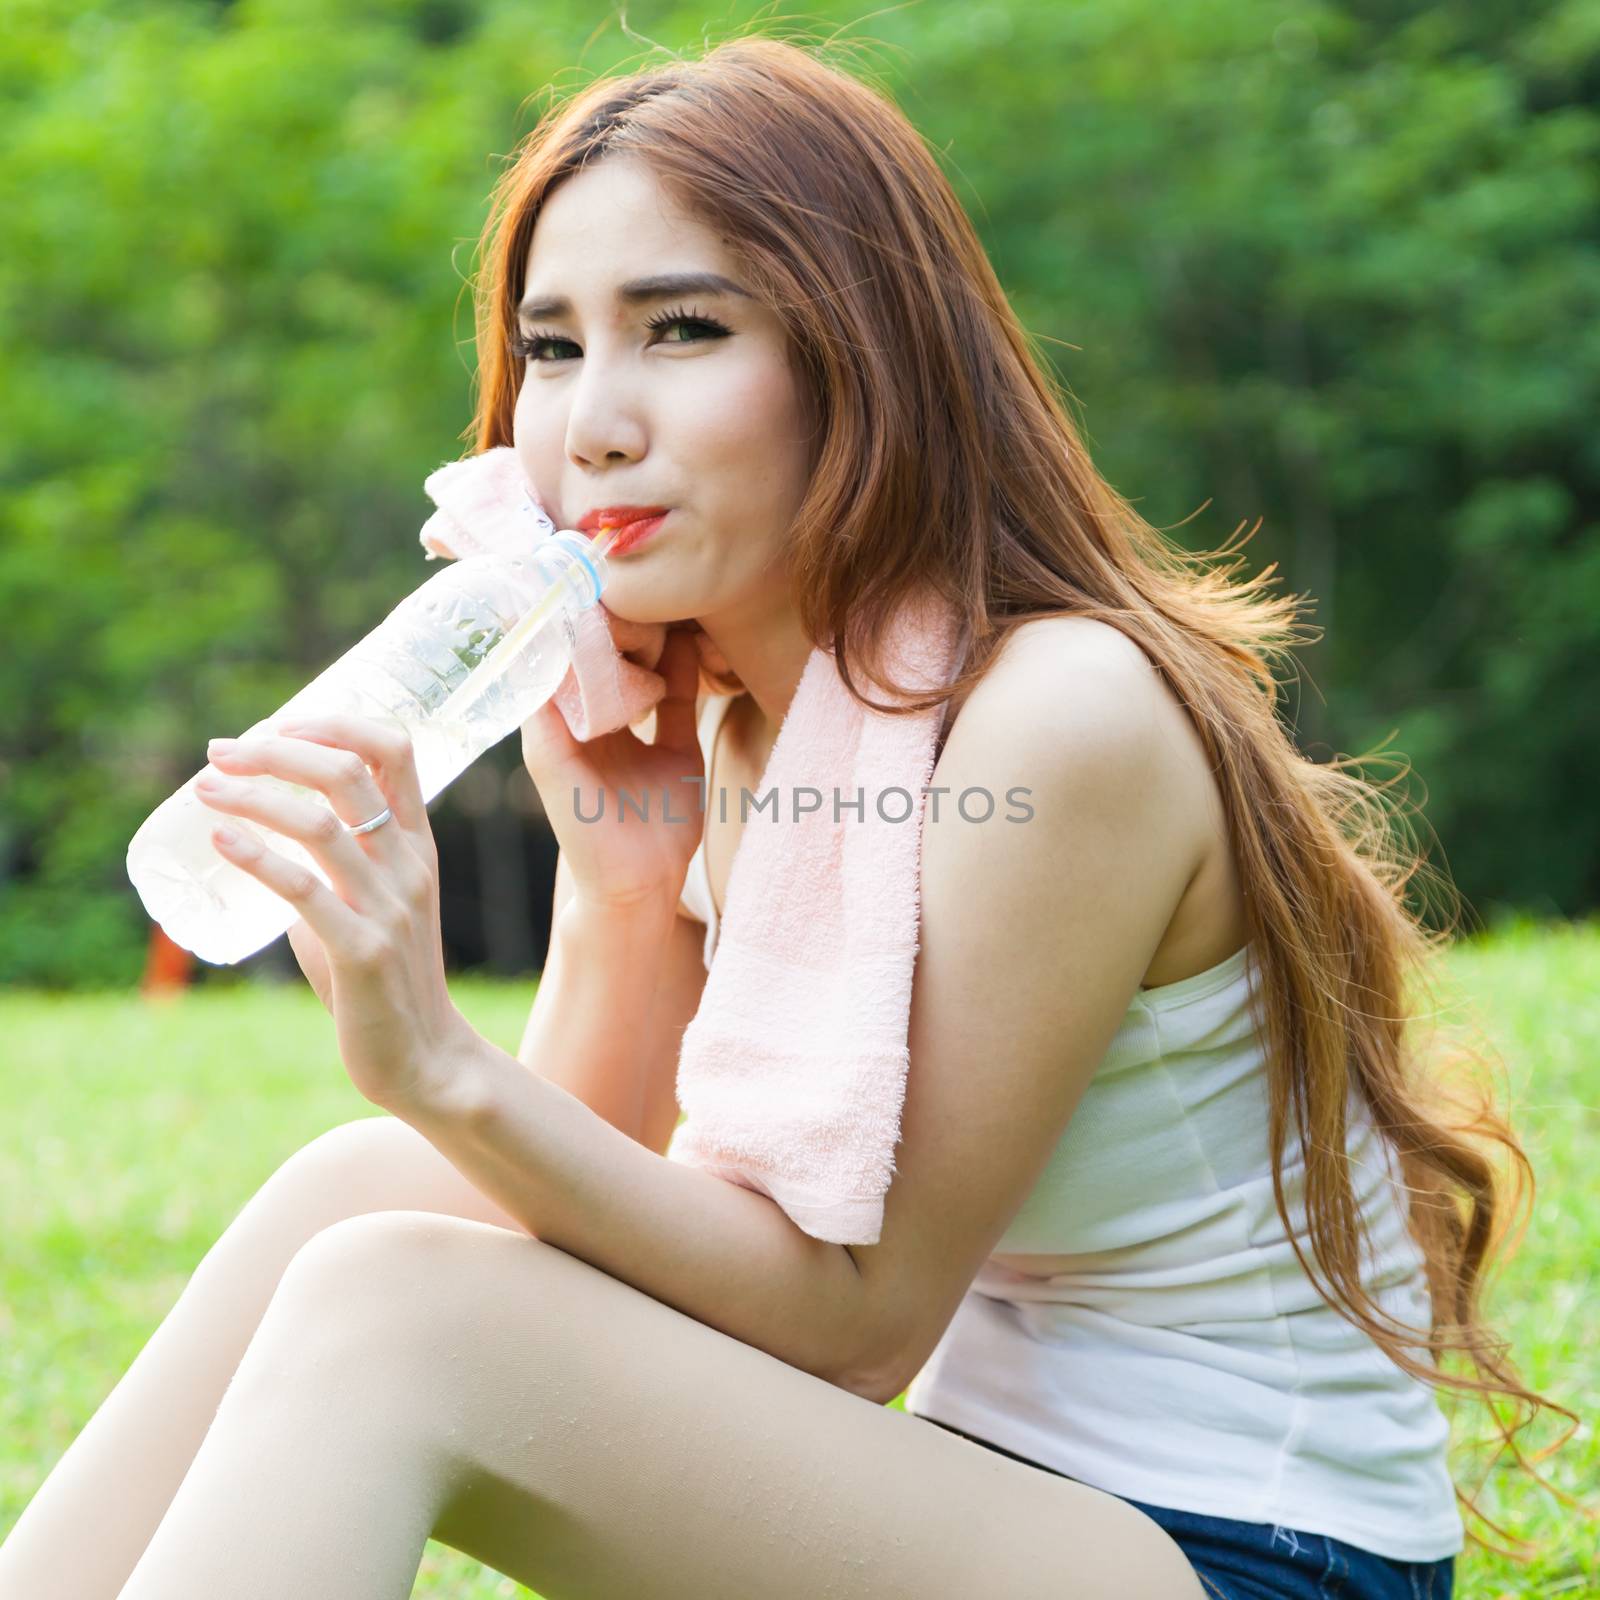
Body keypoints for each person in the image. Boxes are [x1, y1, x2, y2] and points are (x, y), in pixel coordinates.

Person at [0, 36, 1566, 1600]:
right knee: (363, 1201)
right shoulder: (749, 725)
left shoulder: (1055, 714)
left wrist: (437, 1061)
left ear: (860, 356)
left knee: (396, 1303)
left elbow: (853, 1323)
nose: (595, 421)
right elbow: (576, 1222)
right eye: (552, 348)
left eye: (683, 330)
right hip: (971, 1501)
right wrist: (622, 887)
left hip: (1243, 1556)